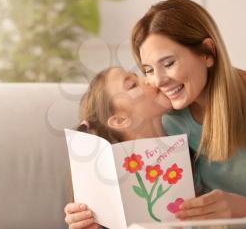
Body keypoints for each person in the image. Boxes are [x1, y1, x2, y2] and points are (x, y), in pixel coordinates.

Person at [131, 0, 246, 220]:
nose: (158, 81)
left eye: (168, 63)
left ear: (208, 53)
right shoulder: (168, 115)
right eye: (148, 69)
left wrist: (242, 209)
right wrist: (92, 214)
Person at [64, 66, 173, 229]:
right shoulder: (112, 189)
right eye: (132, 85)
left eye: (139, 76)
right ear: (120, 120)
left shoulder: (191, 142)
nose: (150, 79)